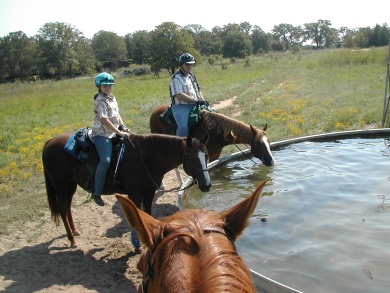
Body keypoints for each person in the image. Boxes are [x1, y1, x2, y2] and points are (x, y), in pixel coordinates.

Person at [90, 72, 130, 206]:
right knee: (105, 161)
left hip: (114, 131)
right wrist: (119, 132)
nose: (108, 88)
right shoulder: (99, 100)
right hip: (102, 134)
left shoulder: (112, 97)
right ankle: (96, 192)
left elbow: (117, 114)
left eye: (110, 85)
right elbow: (104, 119)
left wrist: (123, 126)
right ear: (99, 86)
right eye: (105, 86)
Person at [169, 53, 206, 136]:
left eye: (191, 64)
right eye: (187, 64)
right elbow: (179, 95)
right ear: (182, 64)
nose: (189, 66)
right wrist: (196, 100)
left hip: (195, 104)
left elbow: (198, 90)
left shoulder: (192, 76)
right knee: (183, 128)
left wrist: (202, 100)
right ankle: (181, 145)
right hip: (181, 106)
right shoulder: (176, 78)